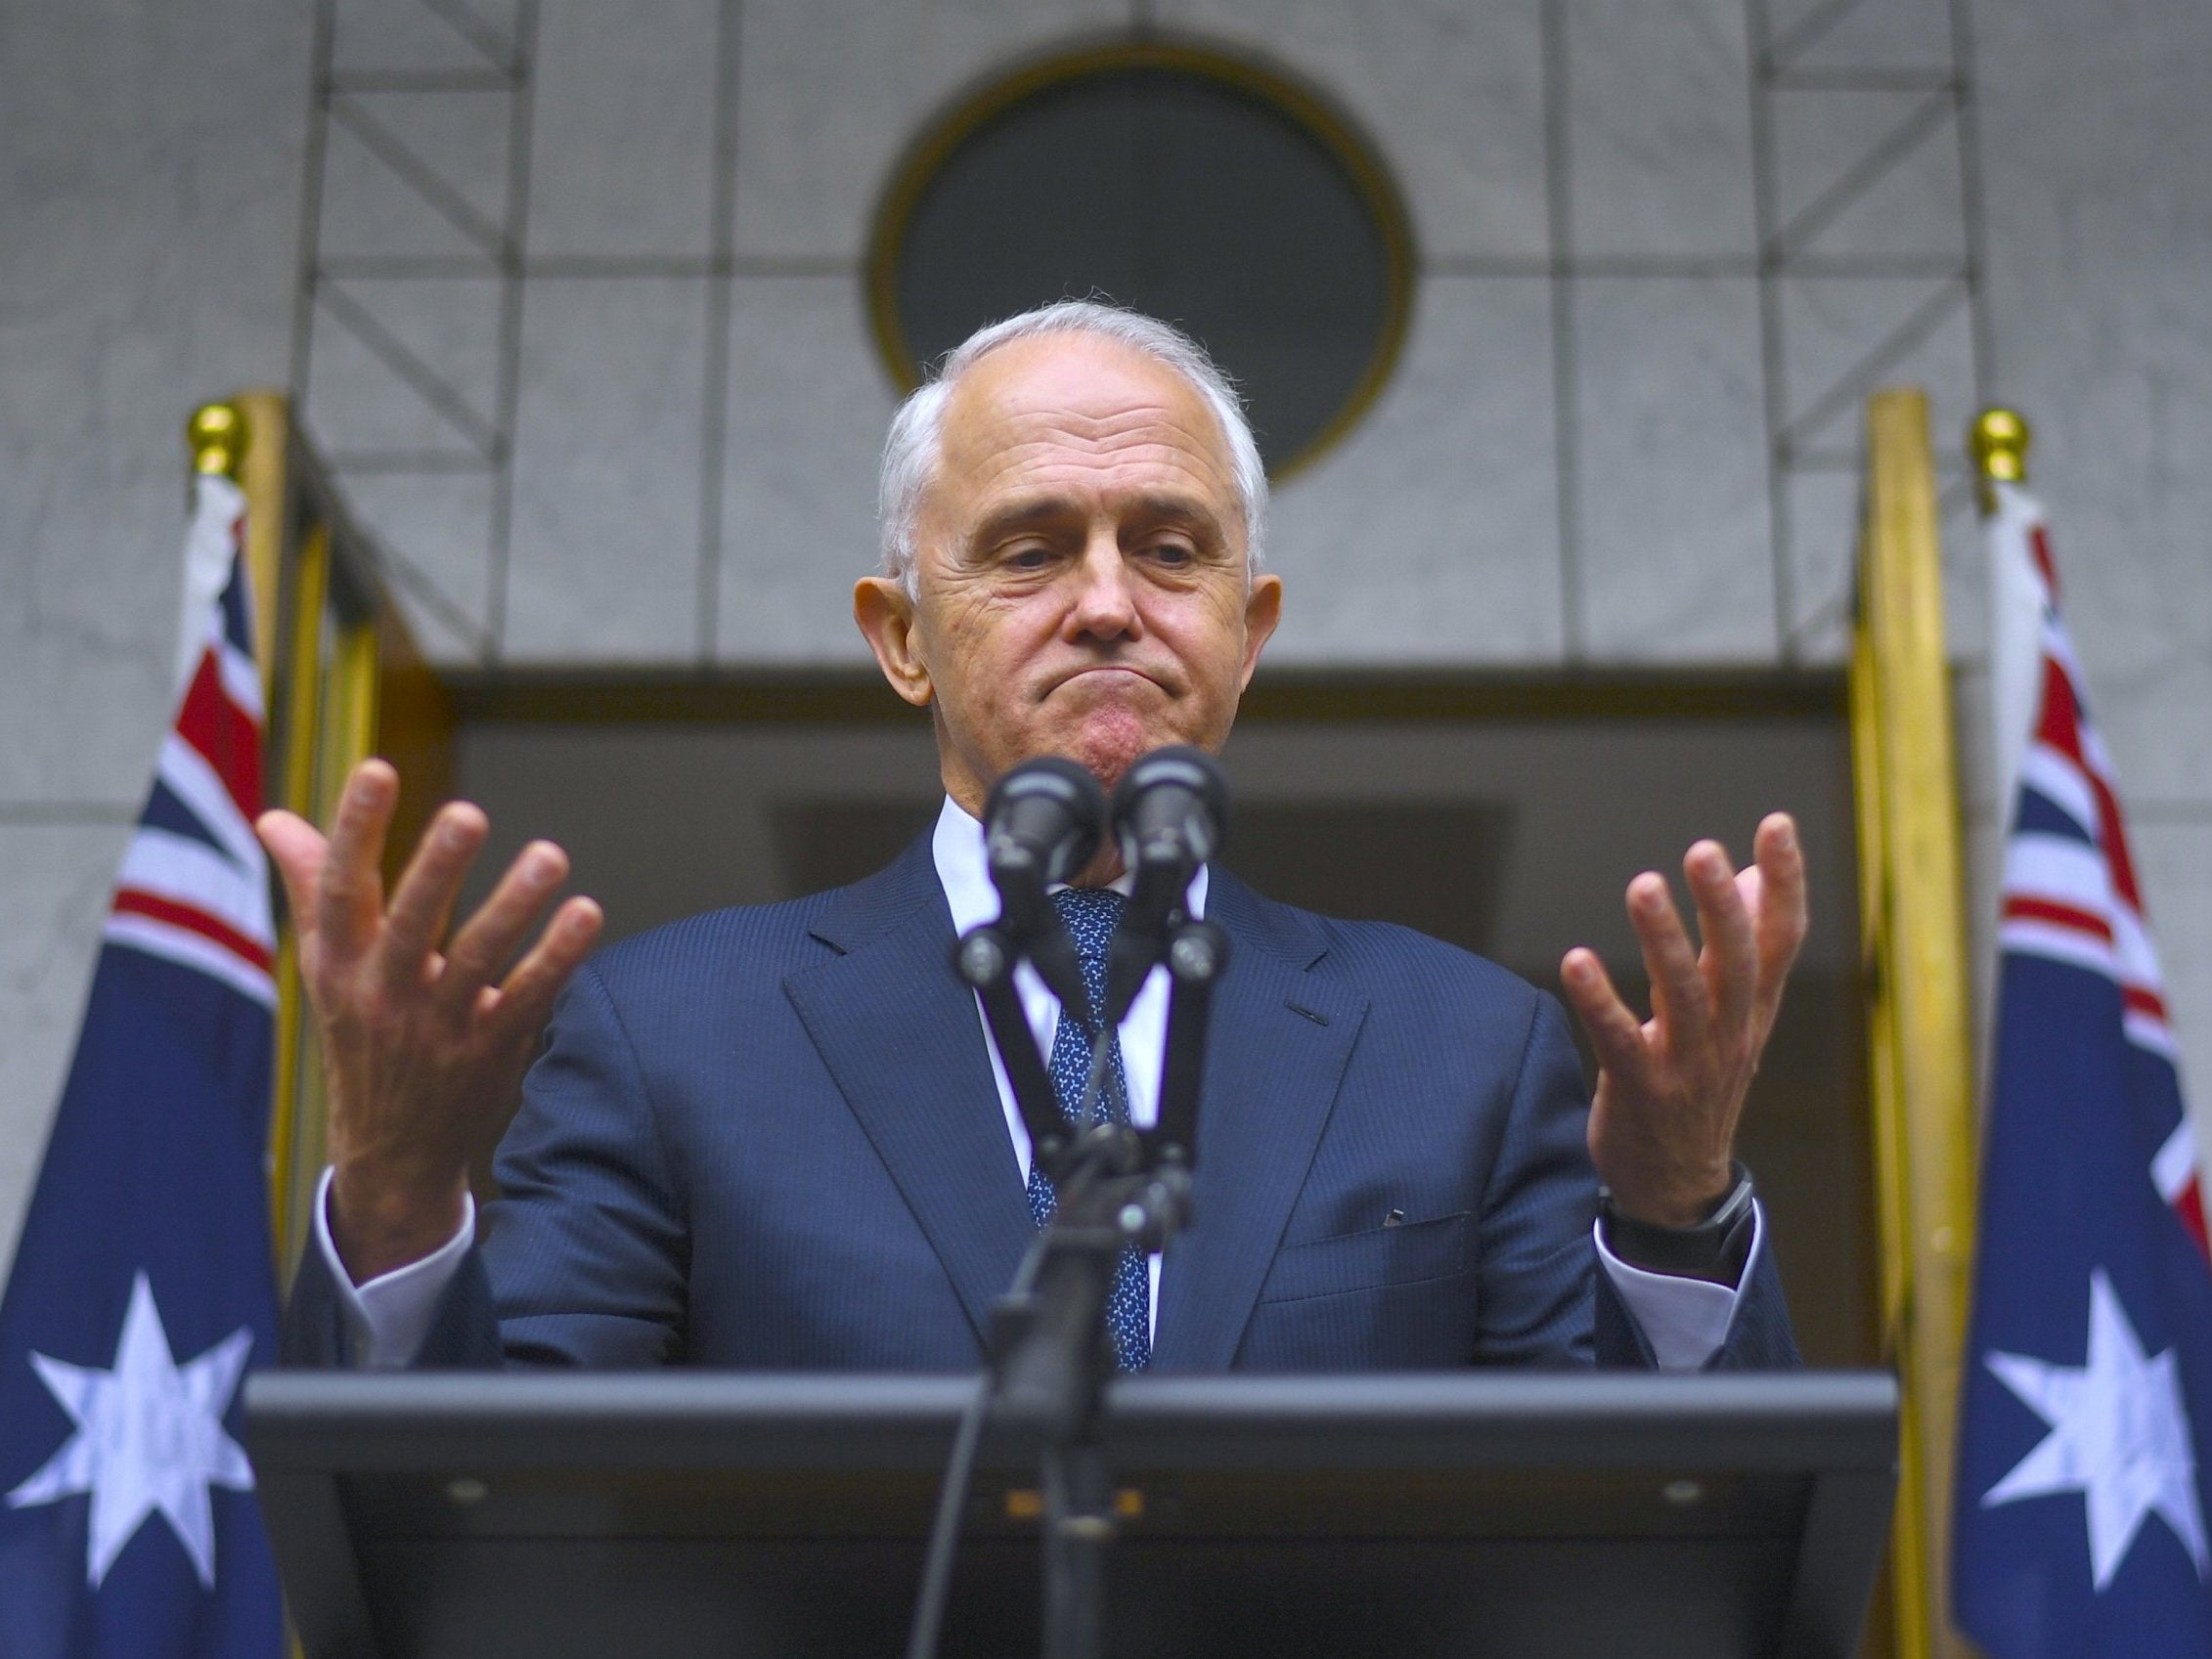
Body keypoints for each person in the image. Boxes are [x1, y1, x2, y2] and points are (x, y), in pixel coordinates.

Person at [268, 301, 1803, 1373]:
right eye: (1027, 547)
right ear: (900, 637)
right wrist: (398, 1199)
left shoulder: (1464, 1049)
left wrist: (1676, 1212)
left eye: (1169, 546)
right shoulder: (672, 1038)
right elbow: (496, 1530)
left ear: (1247, 627)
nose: (1107, 600)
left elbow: (1633, 1539)